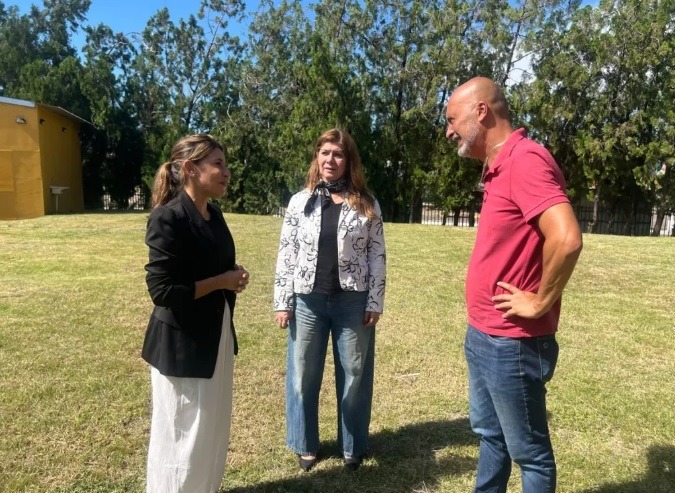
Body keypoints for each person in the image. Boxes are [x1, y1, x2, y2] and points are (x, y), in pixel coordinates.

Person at [445, 77, 583, 492]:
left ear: (481, 112)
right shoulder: (499, 165)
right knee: (491, 436)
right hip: (484, 332)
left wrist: (540, 302)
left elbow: (567, 238)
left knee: (530, 455)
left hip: (513, 342)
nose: (449, 131)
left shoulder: (525, 160)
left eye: (452, 120)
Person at [273, 128, 386, 472]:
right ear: (317, 158)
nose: (330, 160)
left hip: (353, 301)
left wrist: (375, 300)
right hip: (308, 301)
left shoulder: (366, 203)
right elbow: (287, 251)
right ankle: (304, 443)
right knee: (303, 374)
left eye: (338, 154)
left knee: (354, 374)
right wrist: (282, 300)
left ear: (348, 161)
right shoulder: (300, 201)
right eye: (325, 153)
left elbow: (377, 254)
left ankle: (352, 445)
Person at [142, 134, 250, 493]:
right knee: (181, 436)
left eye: (225, 164)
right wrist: (222, 281)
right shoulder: (168, 217)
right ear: (190, 168)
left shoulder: (213, 213)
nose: (226, 172)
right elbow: (163, 291)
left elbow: (210, 264)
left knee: (209, 430)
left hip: (215, 334)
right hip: (182, 345)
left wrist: (231, 274)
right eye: (217, 164)